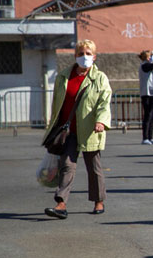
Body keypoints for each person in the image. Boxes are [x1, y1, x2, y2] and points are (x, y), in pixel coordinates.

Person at [43, 39, 112, 219]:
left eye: (88, 54)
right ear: (75, 56)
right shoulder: (64, 76)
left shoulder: (100, 78)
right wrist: (54, 125)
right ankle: (61, 203)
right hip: (68, 131)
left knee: (94, 167)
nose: (84, 57)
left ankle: (98, 200)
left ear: (95, 57)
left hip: (90, 129)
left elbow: (104, 103)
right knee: (67, 165)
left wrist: (101, 121)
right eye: (81, 53)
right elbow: (57, 104)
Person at [138, 49, 153, 145]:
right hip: (147, 94)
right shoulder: (145, 66)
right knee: (148, 116)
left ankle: (150, 137)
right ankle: (145, 138)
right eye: (150, 56)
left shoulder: (148, 66)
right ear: (147, 58)